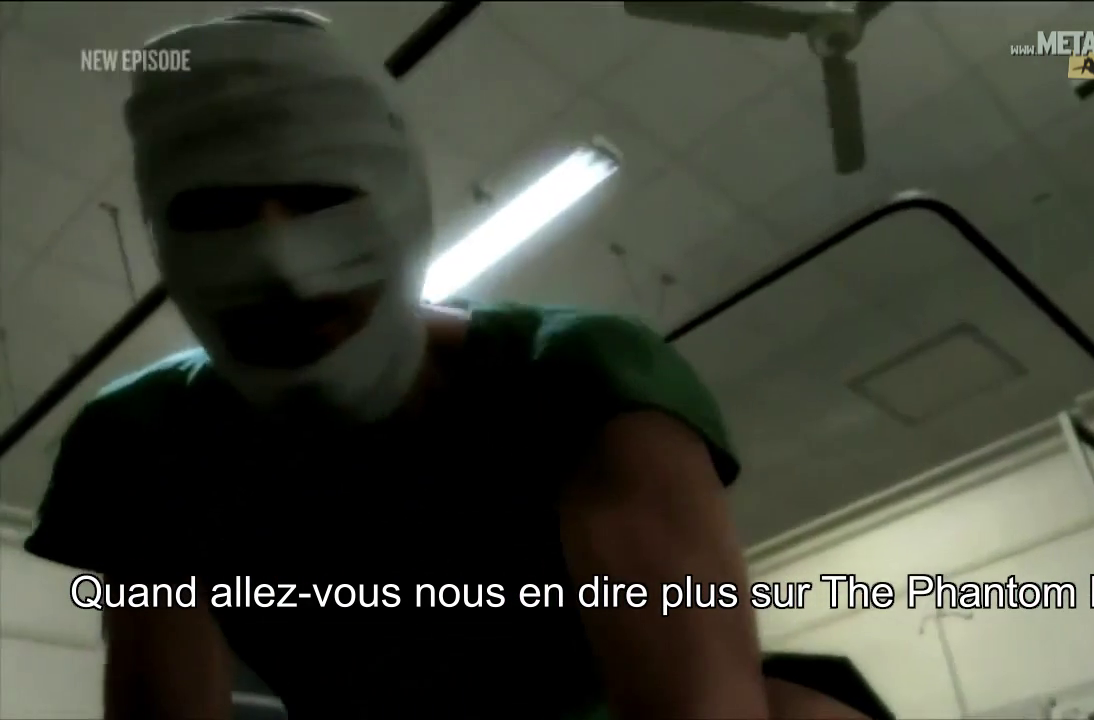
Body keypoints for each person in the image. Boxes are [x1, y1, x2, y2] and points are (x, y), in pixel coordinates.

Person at [23, 9, 877, 720]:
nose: (281, 266)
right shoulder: (139, 443)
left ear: (397, 198)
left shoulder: (578, 377)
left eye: (321, 198)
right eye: (214, 212)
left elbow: (694, 708)